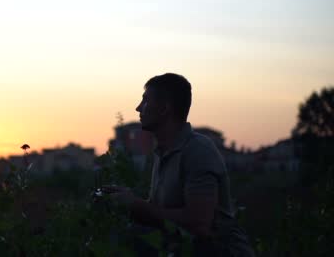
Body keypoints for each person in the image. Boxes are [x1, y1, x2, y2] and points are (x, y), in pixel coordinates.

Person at [104, 73, 255, 256]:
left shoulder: (198, 150)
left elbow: (200, 224)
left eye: (145, 101)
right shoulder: (163, 151)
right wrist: (126, 201)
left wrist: (136, 205)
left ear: (164, 109)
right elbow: (163, 213)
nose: (138, 108)